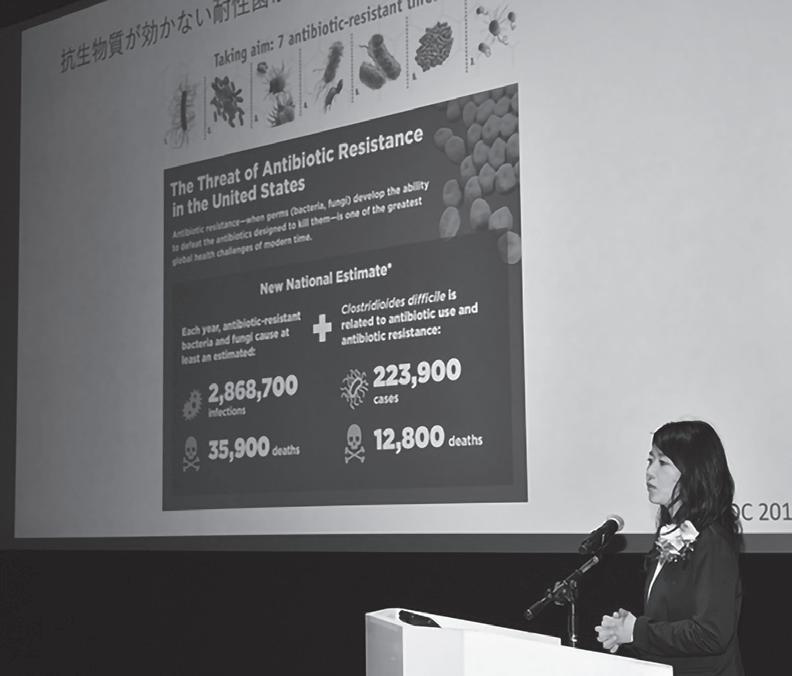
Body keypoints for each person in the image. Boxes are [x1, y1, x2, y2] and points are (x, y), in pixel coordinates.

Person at [595, 420, 744, 675]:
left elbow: (711, 634)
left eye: (663, 463)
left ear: (694, 472)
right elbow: (672, 623)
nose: (650, 472)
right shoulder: (676, 534)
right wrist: (626, 632)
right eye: (650, 460)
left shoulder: (712, 541)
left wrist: (638, 631)